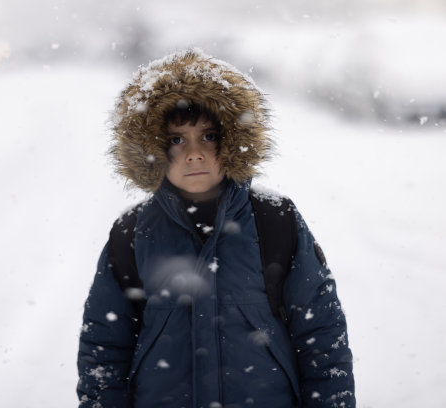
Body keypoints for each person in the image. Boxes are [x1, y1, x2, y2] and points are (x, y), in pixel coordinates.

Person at [77, 49, 355, 408]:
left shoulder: (276, 220)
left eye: (208, 136)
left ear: (234, 140)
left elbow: (323, 338)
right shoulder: (133, 233)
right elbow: (104, 349)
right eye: (176, 140)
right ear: (153, 149)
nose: (194, 153)